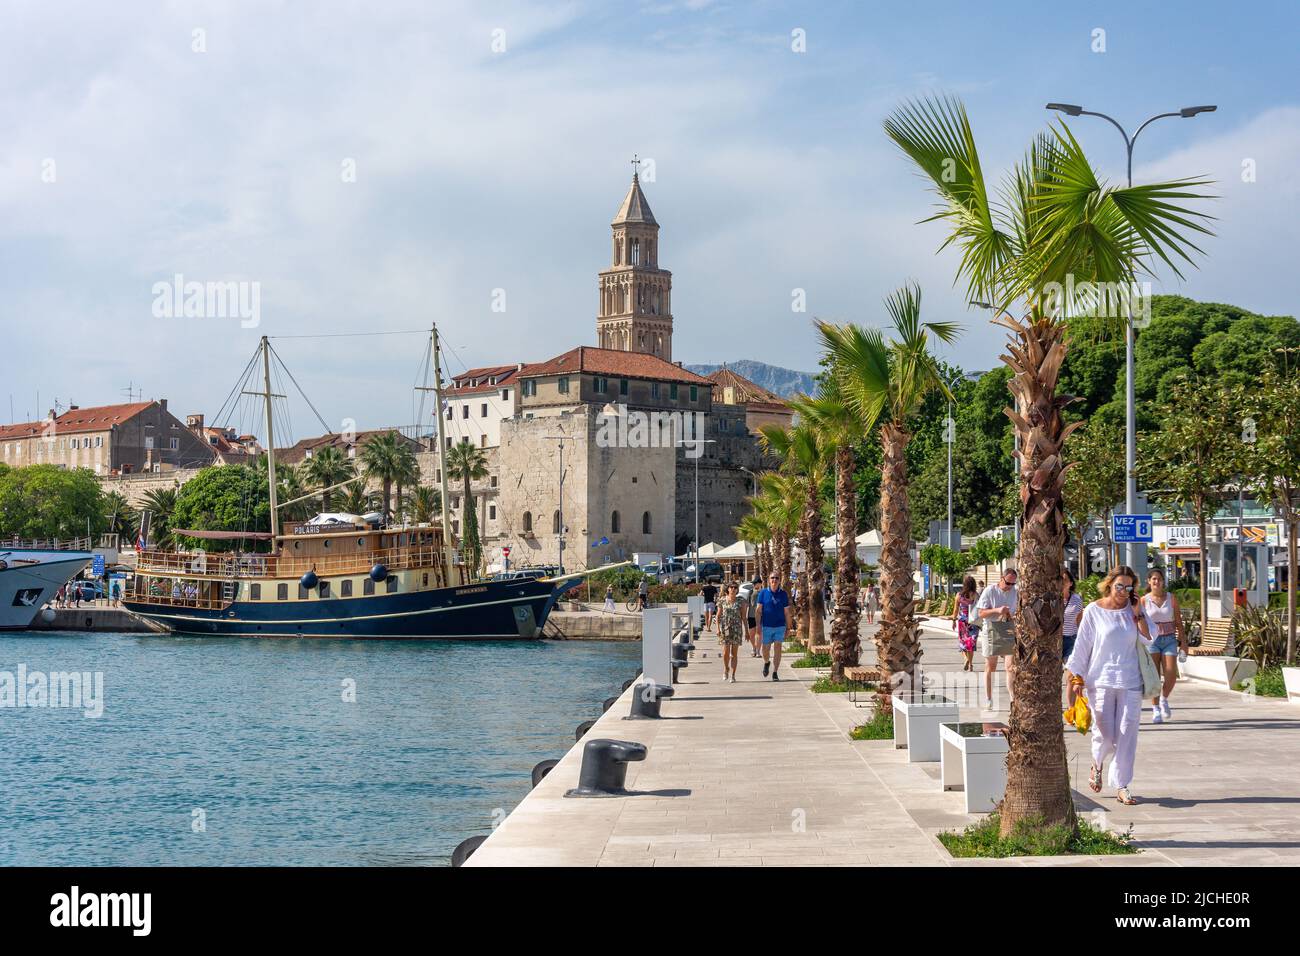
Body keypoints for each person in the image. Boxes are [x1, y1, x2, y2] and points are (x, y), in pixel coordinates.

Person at [1065, 565, 1156, 806]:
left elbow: (1149, 638)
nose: (1124, 591)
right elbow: (1082, 646)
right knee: (1105, 734)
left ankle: (1122, 785)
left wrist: (1137, 613)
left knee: (1127, 734)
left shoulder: (1135, 610)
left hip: (1130, 681)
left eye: (1129, 587)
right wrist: (1077, 678)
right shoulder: (1094, 610)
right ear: (1109, 585)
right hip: (1100, 681)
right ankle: (1097, 763)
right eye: (1119, 586)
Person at [1140, 569, 1186, 723]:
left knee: (1171, 672)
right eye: (1154, 579)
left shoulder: (1171, 598)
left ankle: (1163, 699)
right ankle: (1155, 709)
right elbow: (1138, 621)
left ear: (1163, 581)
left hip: (1169, 639)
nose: (1156, 582)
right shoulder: (1144, 600)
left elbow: (1178, 622)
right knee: (1154, 677)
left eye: (1159, 579)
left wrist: (1184, 643)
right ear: (1149, 581)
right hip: (1152, 640)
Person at [975, 566, 1019, 711]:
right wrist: (997, 610)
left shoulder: (1015, 592)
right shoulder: (990, 591)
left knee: (1010, 667)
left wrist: (1011, 615)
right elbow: (981, 613)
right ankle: (988, 698)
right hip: (992, 629)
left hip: (1008, 629)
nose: (1010, 587)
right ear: (1001, 579)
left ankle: (1013, 699)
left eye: (1013, 584)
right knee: (990, 666)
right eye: (1008, 583)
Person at [755, 571, 792, 680]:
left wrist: (788, 628)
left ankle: (775, 672)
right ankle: (767, 662)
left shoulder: (783, 594)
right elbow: (758, 611)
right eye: (772, 578)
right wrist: (758, 627)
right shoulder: (763, 593)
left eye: (776, 578)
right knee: (765, 650)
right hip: (766, 626)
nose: (774, 580)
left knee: (778, 648)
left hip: (780, 626)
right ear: (769, 580)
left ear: (779, 580)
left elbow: (787, 612)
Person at [717, 582, 746, 682]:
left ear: (737, 590)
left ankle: (733, 675)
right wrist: (717, 629)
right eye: (731, 587)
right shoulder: (722, 601)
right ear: (728, 589)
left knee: (734, 653)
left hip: (736, 629)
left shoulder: (740, 601)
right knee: (725, 652)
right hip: (725, 629)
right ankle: (726, 669)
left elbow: (743, 617)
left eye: (735, 587)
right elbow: (718, 616)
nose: (733, 589)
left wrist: (746, 631)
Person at [952, 575, 980, 672]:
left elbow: (955, 609)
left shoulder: (959, 595)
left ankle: (966, 659)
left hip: (962, 621)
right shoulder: (976, 595)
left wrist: (953, 621)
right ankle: (971, 664)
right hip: (973, 622)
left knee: (963, 642)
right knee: (970, 644)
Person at [1062, 568, 1083, 664]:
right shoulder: (1052, 598)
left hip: (1070, 639)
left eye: (1065, 580)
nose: (1062, 582)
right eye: (1060, 580)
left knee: (1070, 668)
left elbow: (1079, 621)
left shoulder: (1077, 600)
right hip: (1055, 640)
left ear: (1070, 583)